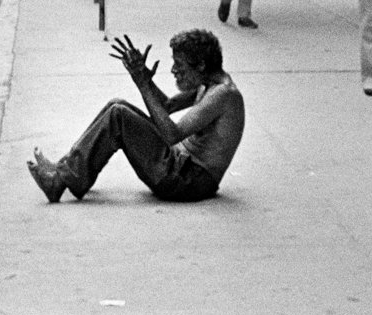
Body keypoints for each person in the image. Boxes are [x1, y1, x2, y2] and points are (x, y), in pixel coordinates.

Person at [28, 30, 244, 203]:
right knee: (117, 105)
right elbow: (167, 106)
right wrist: (143, 78)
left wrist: (143, 84)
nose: (173, 70)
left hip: (189, 181)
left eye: (180, 65)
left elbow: (171, 134)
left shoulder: (224, 94)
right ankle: (64, 169)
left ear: (202, 65)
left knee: (118, 115)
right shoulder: (206, 83)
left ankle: (59, 182)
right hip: (180, 167)